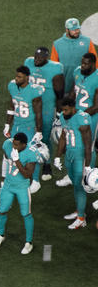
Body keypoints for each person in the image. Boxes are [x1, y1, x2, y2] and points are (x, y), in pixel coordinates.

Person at [24, 46, 65, 180]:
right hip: (31, 106)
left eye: (40, 58)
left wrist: (59, 115)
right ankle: (29, 161)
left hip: (47, 108)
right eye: (35, 56)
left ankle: (47, 165)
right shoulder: (28, 62)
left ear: (46, 58)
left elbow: (60, 94)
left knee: (45, 137)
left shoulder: (55, 68)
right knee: (30, 135)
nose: (36, 60)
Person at [0, 132, 36, 255]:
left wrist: (17, 161)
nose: (14, 147)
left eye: (17, 145)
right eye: (13, 144)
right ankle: (1, 235)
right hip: (8, 185)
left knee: (26, 214)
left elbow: (27, 174)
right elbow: (6, 155)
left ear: (24, 145)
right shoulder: (7, 144)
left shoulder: (31, 154)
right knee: (2, 209)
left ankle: (29, 243)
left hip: (22, 187)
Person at [54, 97, 92, 229]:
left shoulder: (82, 119)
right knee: (75, 184)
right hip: (69, 154)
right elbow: (63, 137)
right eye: (62, 110)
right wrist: (57, 156)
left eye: (66, 109)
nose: (64, 112)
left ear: (73, 107)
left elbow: (88, 145)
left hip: (80, 156)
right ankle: (79, 210)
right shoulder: (64, 117)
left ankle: (81, 218)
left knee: (79, 185)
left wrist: (87, 166)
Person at [4, 66, 44, 191]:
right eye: (16, 76)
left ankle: (35, 180)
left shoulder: (34, 91)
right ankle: (15, 176)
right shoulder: (12, 87)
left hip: (29, 126)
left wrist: (38, 131)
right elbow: (11, 106)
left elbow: (38, 113)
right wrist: (7, 124)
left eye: (19, 77)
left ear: (27, 77)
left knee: (32, 154)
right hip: (17, 125)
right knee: (13, 151)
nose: (16, 79)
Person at [51, 18, 97, 95]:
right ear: (67, 30)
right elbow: (54, 66)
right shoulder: (57, 44)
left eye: (77, 29)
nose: (76, 31)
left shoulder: (87, 41)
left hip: (83, 86)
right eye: (73, 29)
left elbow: (95, 61)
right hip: (64, 85)